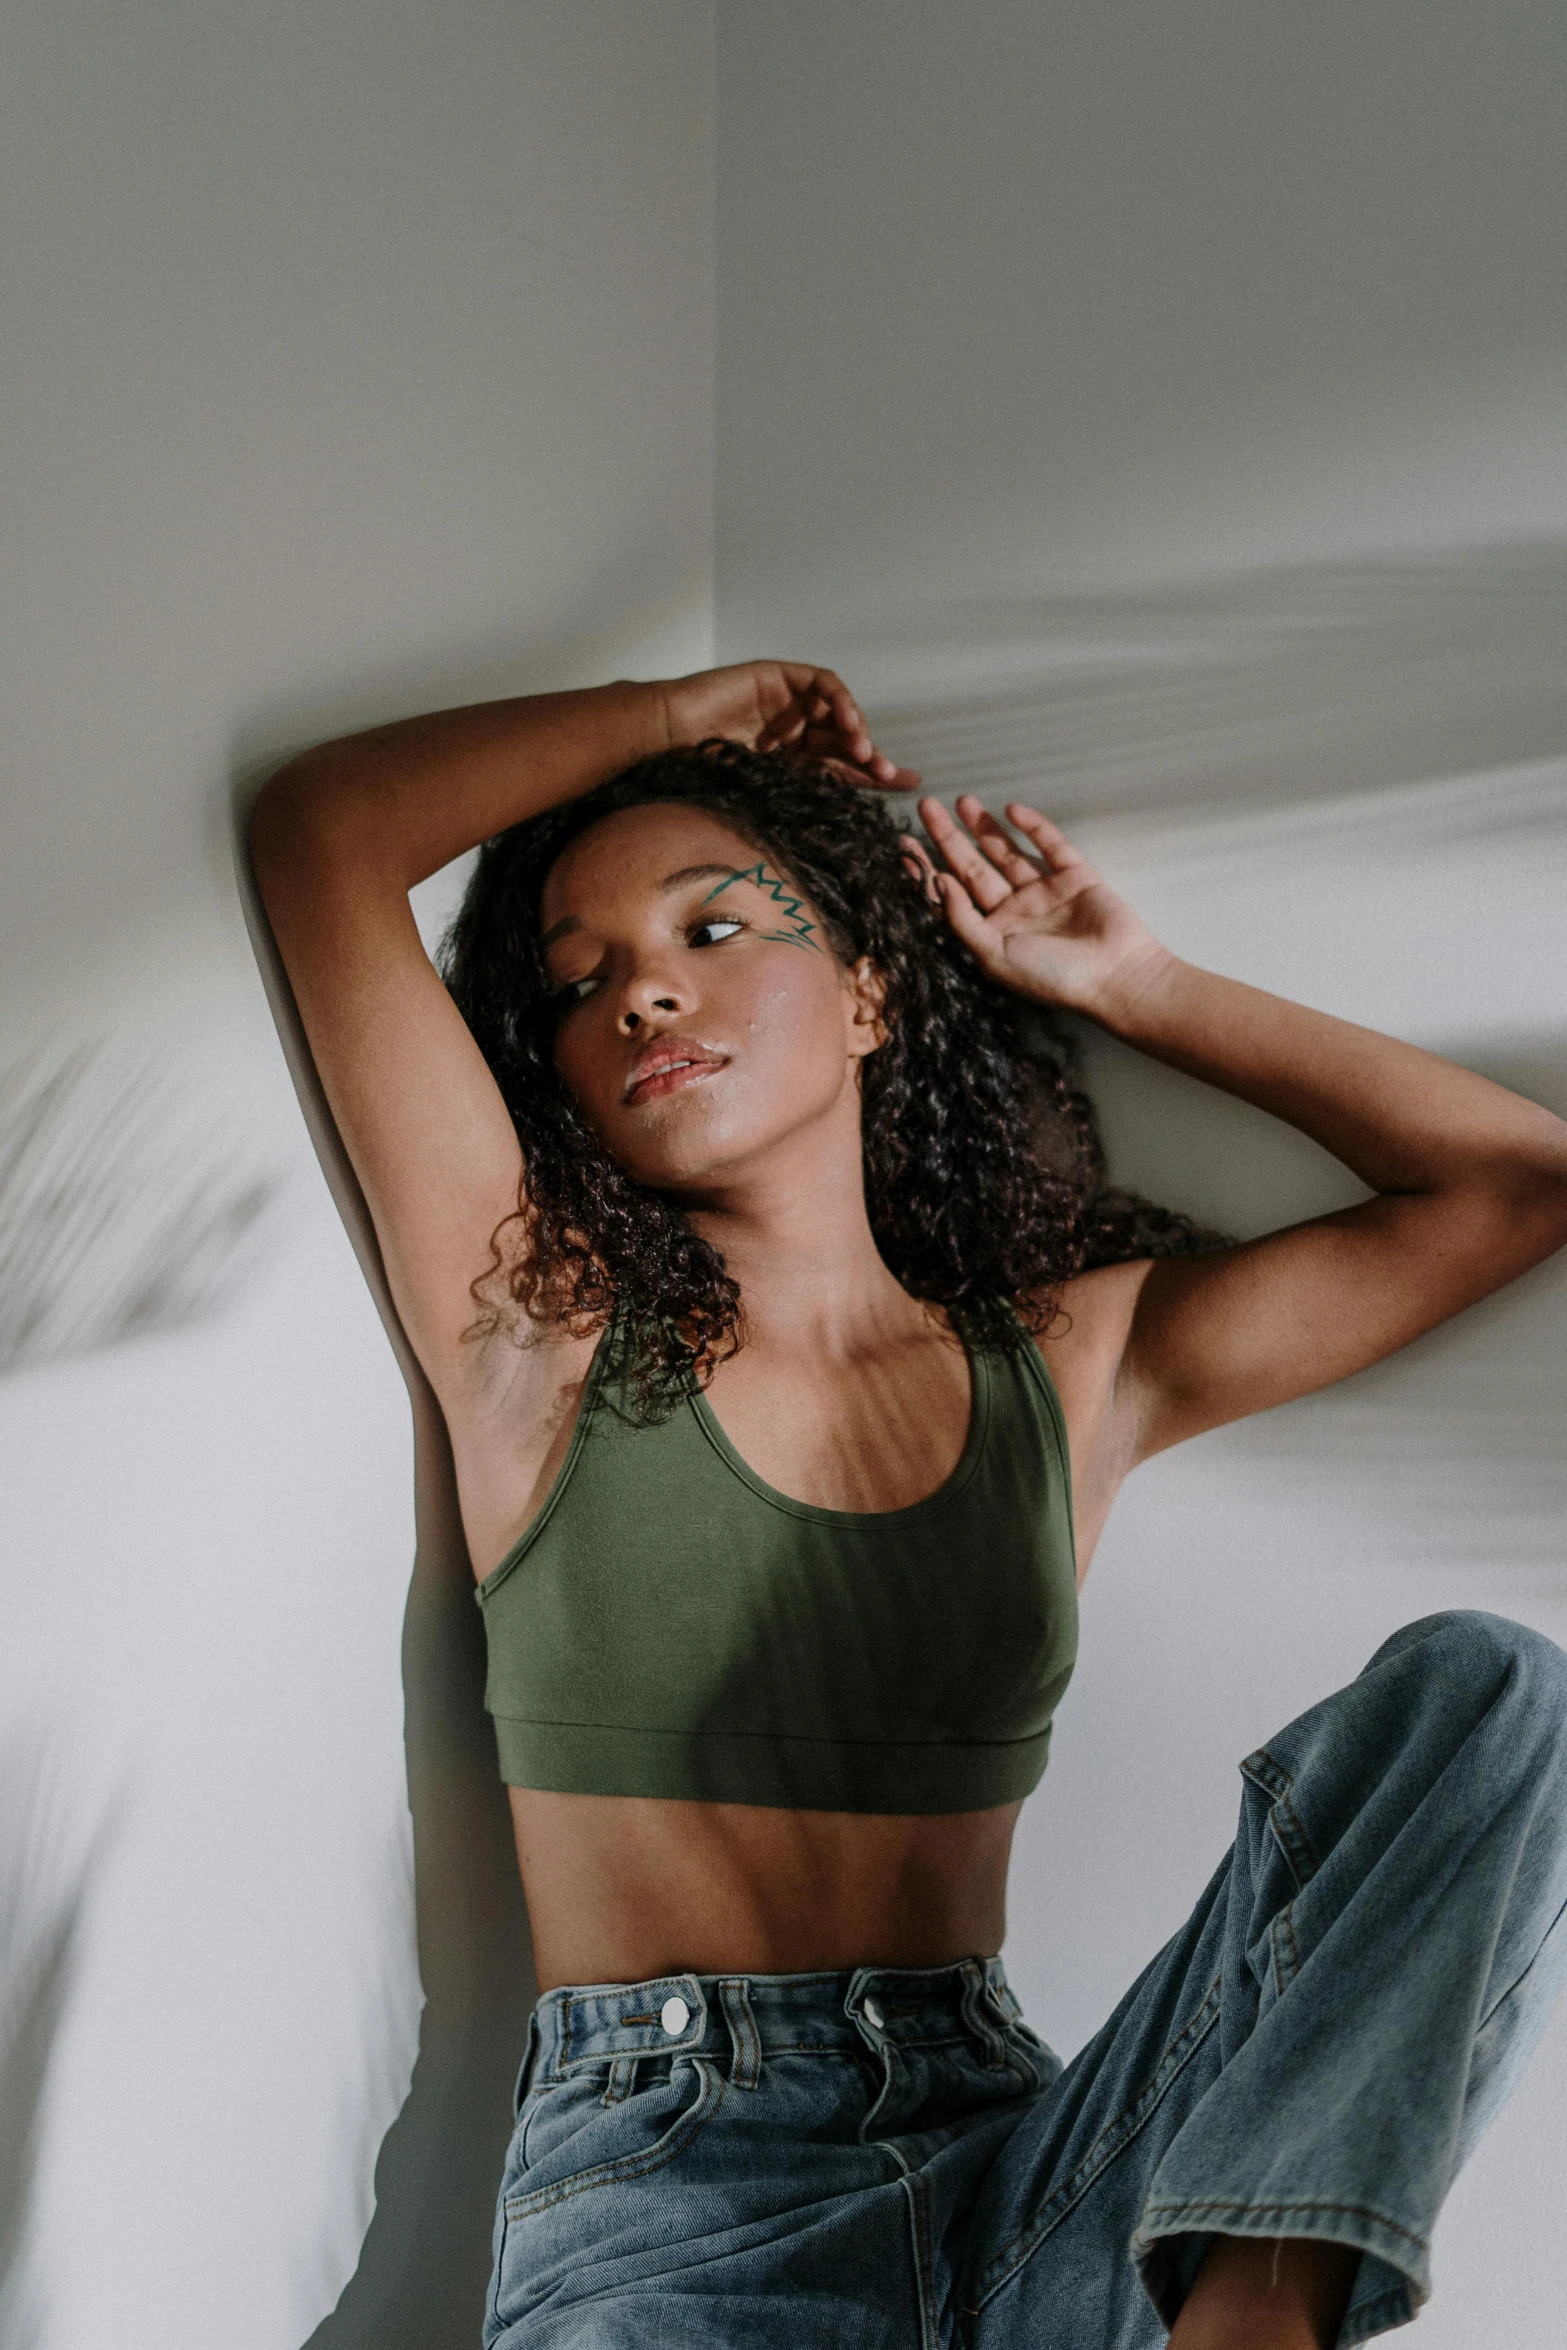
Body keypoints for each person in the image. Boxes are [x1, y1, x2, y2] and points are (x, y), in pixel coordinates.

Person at [250, 661, 1567, 2350]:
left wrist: (1142, 983)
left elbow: (1513, 1186)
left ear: (872, 995)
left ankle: (1254, 2309)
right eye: (584, 985)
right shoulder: (541, 1338)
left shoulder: (1071, 1363)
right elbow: (325, 834)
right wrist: (681, 712)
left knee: (1493, 1689)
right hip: (669, 2210)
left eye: (714, 930)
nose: (644, 996)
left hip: (1015, 2162)